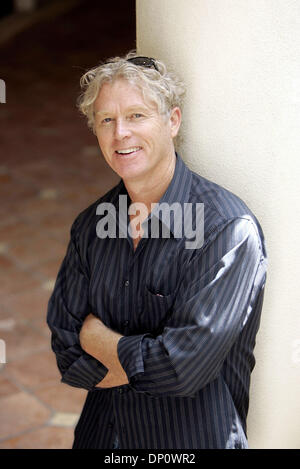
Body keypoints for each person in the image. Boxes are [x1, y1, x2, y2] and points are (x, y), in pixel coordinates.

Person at [47, 52, 267, 449]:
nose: (120, 134)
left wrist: (99, 339)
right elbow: (67, 351)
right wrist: (150, 357)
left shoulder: (225, 231)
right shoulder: (90, 226)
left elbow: (182, 370)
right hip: (102, 439)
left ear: (173, 121)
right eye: (106, 120)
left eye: (136, 116)